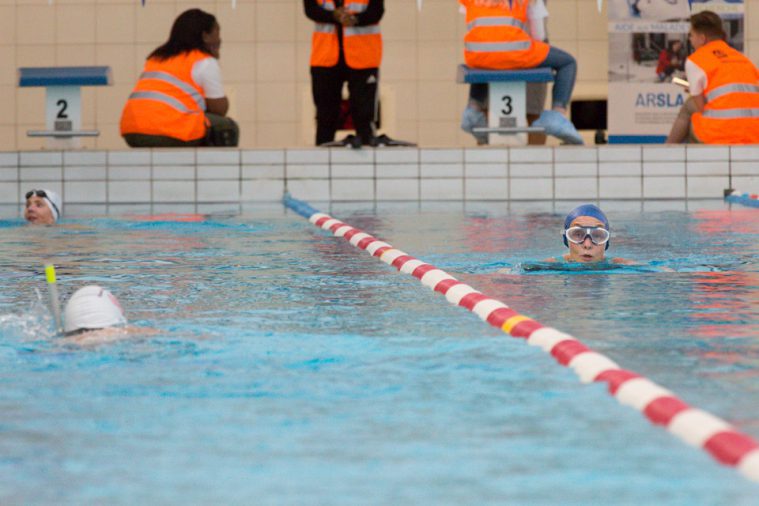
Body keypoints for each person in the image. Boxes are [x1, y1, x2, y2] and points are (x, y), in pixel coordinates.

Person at [459, 0, 583, 145]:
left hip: (476, 53)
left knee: (487, 59)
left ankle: (472, 110)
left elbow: (475, 23)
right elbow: (539, 34)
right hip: (516, 51)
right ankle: (557, 114)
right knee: (567, 63)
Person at [120, 9, 239, 148]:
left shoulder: (156, 58)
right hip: (165, 132)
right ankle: (214, 169)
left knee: (200, 123)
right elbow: (220, 110)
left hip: (132, 131)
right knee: (226, 126)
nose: (219, 40)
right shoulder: (203, 61)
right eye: (217, 33)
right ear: (205, 36)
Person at [463, 0, 549, 145]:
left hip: (501, 43)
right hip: (511, 43)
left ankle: (533, 163)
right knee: (491, 114)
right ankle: (534, 162)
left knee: (531, 112)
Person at [666, 10, 759, 144]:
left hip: (720, 134)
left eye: (691, 35)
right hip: (754, 134)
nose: (690, 40)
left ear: (702, 38)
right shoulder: (742, 58)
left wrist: (695, 91)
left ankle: (667, 150)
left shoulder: (696, 60)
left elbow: (702, 108)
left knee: (689, 108)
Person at [304, 0, 384, 148]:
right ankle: (322, 162)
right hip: (325, 57)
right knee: (325, 117)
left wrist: (355, 19)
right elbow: (310, 9)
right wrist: (334, 15)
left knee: (364, 116)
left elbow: (376, 11)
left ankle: (370, 164)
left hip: (363, 57)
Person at [545, 204, 635, 264]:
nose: (587, 245)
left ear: (606, 242)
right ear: (566, 239)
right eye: (578, 234)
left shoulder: (625, 265)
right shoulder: (547, 265)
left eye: (597, 235)